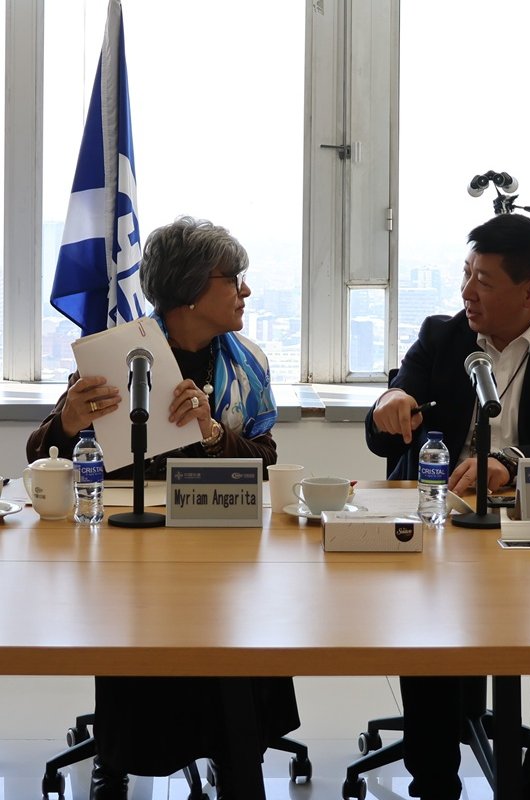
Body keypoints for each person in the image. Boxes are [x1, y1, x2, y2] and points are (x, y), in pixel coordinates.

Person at [27, 217, 298, 800]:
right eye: (235, 279)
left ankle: (237, 754)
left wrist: (209, 432)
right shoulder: (117, 355)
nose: (246, 291)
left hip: (223, 537)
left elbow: (265, 458)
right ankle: (119, 756)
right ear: (195, 289)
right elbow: (44, 457)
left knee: (239, 637)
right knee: (141, 632)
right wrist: (69, 423)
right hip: (131, 545)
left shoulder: (246, 363)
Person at [364, 213, 530, 800]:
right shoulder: (442, 337)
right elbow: (385, 432)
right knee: (428, 633)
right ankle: (434, 780)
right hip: (444, 526)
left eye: (484, 281)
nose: (467, 292)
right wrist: (389, 403)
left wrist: (511, 463)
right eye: (466, 275)